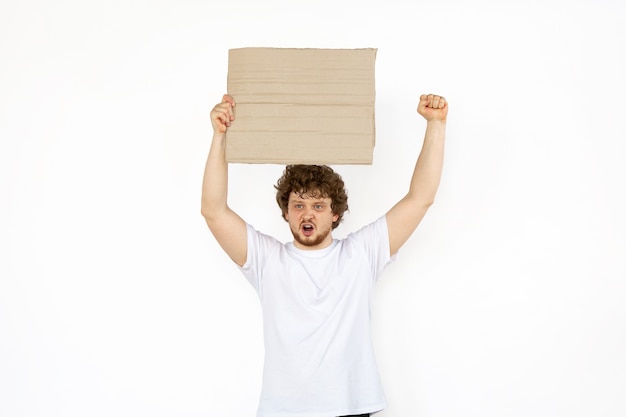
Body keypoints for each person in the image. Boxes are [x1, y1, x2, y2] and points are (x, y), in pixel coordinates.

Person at [202, 92, 448, 417]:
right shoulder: (266, 259)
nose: (308, 214)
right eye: (299, 205)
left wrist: (436, 124)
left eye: (318, 206)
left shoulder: (362, 253)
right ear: (286, 213)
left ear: (335, 214)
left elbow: (420, 199)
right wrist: (219, 137)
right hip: (284, 411)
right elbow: (213, 211)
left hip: (352, 407)